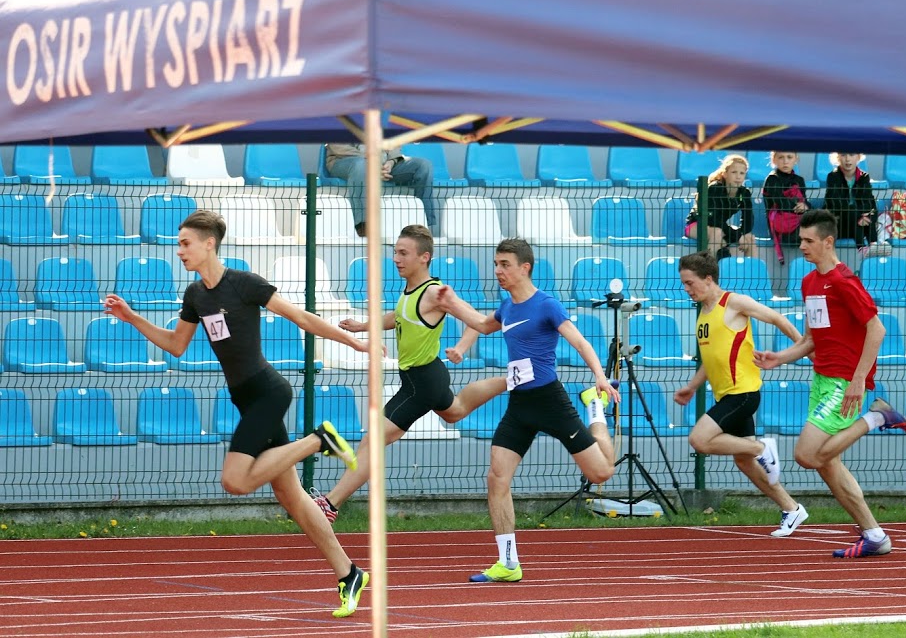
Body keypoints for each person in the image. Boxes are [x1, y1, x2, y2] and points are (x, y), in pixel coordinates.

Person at [103, 210, 369, 618]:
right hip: (245, 398)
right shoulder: (196, 295)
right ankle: (349, 574)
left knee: (235, 481)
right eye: (178, 244)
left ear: (209, 243)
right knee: (294, 499)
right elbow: (176, 345)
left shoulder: (244, 284)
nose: (179, 251)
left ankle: (320, 440)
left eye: (185, 243)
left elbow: (301, 317)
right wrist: (132, 317)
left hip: (267, 392)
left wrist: (354, 343)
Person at [434, 238, 620, 583]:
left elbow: (579, 341)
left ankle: (596, 411)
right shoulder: (507, 307)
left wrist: (600, 377)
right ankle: (508, 562)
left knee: (601, 474)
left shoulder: (546, 305)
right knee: (496, 478)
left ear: (525, 268)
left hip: (550, 400)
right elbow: (480, 323)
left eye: (504, 264)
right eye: (495, 264)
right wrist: (451, 305)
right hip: (519, 404)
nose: (497, 271)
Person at [309, 225, 507, 522]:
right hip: (427, 377)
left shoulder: (436, 293)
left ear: (424, 257)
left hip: (421, 383)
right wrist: (363, 326)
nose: (396, 259)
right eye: (395, 252)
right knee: (454, 411)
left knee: (371, 441)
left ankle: (330, 504)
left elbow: (477, 320)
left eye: (404, 253)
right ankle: (512, 379)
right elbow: (399, 315)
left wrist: (462, 348)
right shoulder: (410, 290)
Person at [753, 209, 906, 558]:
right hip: (822, 381)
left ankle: (878, 417)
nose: (803, 247)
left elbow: (877, 329)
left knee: (806, 455)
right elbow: (812, 339)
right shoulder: (810, 282)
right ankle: (875, 535)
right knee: (829, 466)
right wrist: (778, 357)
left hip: (845, 383)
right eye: (801, 241)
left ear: (828, 242)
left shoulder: (844, 281)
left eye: (809, 241)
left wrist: (859, 379)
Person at [674, 250, 808, 536]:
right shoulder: (704, 314)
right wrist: (692, 386)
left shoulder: (733, 302)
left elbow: (776, 318)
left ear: (708, 279)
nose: (686, 289)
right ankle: (791, 508)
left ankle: (762, 448)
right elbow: (713, 360)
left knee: (699, 440)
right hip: (726, 395)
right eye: (683, 283)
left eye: (689, 282)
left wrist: (801, 347)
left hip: (744, 393)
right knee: (743, 461)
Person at [325, 143, 436, 236]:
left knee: (423, 166)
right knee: (362, 166)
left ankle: (424, 227)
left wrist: (392, 161)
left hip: (384, 164)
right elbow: (338, 147)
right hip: (346, 161)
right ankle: (363, 227)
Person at [684, 154, 756, 259]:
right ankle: (708, 269)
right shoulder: (715, 189)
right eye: (734, 172)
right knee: (717, 233)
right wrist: (736, 236)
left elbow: (748, 218)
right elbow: (713, 219)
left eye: (742, 173)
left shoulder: (744, 193)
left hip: (720, 226)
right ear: (725, 174)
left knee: (749, 238)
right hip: (697, 224)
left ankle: (751, 273)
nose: (738, 176)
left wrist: (743, 234)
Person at [822, 152, 890, 259]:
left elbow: (870, 203)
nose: (847, 159)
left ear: (858, 157)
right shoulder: (832, 177)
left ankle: (873, 244)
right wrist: (859, 216)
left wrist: (868, 216)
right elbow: (836, 204)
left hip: (858, 224)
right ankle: (862, 247)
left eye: (852, 154)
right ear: (838, 157)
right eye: (843, 155)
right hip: (838, 224)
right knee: (854, 211)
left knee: (869, 212)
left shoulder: (864, 177)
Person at [762, 151, 811, 265]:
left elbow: (804, 201)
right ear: (774, 160)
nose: (785, 161)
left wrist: (805, 206)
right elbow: (781, 203)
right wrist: (798, 206)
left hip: (797, 221)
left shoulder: (799, 180)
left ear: (796, 159)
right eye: (781, 157)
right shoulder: (772, 179)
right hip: (780, 227)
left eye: (789, 157)